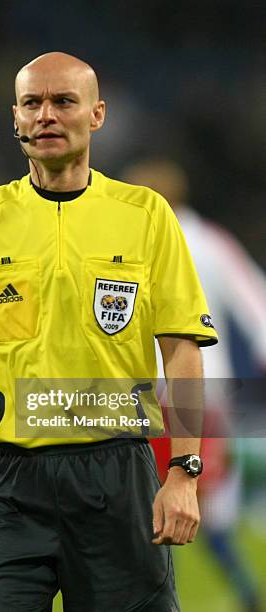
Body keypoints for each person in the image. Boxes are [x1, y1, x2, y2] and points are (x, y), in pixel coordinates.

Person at [0, 52, 218, 612]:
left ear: (97, 115)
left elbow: (181, 349)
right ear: (15, 117)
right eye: (32, 103)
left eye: (63, 101)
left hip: (120, 479)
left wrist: (183, 471)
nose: (46, 115)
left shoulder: (147, 215)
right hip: (11, 485)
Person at [123, 158, 266, 612]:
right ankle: (244, 591)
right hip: (208, 390)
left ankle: (164, 597)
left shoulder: (133, 244)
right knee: (197, 499)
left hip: (148, 393)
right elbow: (256, 305)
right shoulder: (213, 242)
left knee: (152, 501)